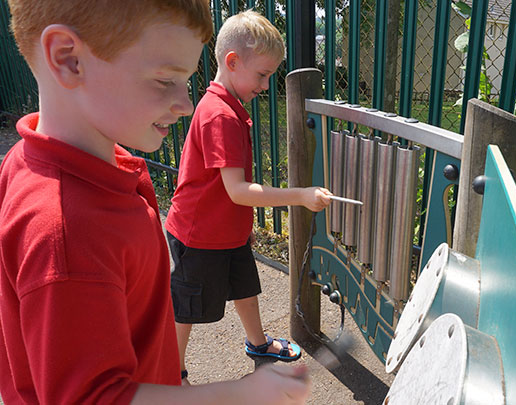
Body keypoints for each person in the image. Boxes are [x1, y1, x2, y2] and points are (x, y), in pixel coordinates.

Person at [0, 1, 310, 403]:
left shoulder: (34, 163)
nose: (185, 104)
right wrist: (237, 394)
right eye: (166, 81)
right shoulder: (66, 231)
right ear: (68, 58)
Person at [164, 10, 332, 385]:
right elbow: (238, 191)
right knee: (187, 308)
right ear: (232, 61)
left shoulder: (229, 108)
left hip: (226, 231)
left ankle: (257, 343)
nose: (266, 84)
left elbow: (229, 190)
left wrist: (243, 228)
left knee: (245, 287)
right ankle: (172, 372)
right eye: (262, 75)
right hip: (199, 236)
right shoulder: (219, 115)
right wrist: (301, 196)